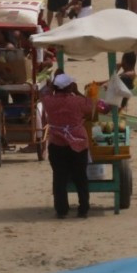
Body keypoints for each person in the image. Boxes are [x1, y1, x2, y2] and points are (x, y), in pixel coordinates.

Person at [42, 73, 92, 219]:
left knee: (59, 178)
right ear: (70, 86)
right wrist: (76, 92)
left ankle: (61, 209)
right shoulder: (77, 101)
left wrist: (49, 87)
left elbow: (42, 94)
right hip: (78, 143)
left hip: (57, 143)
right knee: (81, 177)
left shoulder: (49, 101)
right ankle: (83, 208)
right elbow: (90, 106)